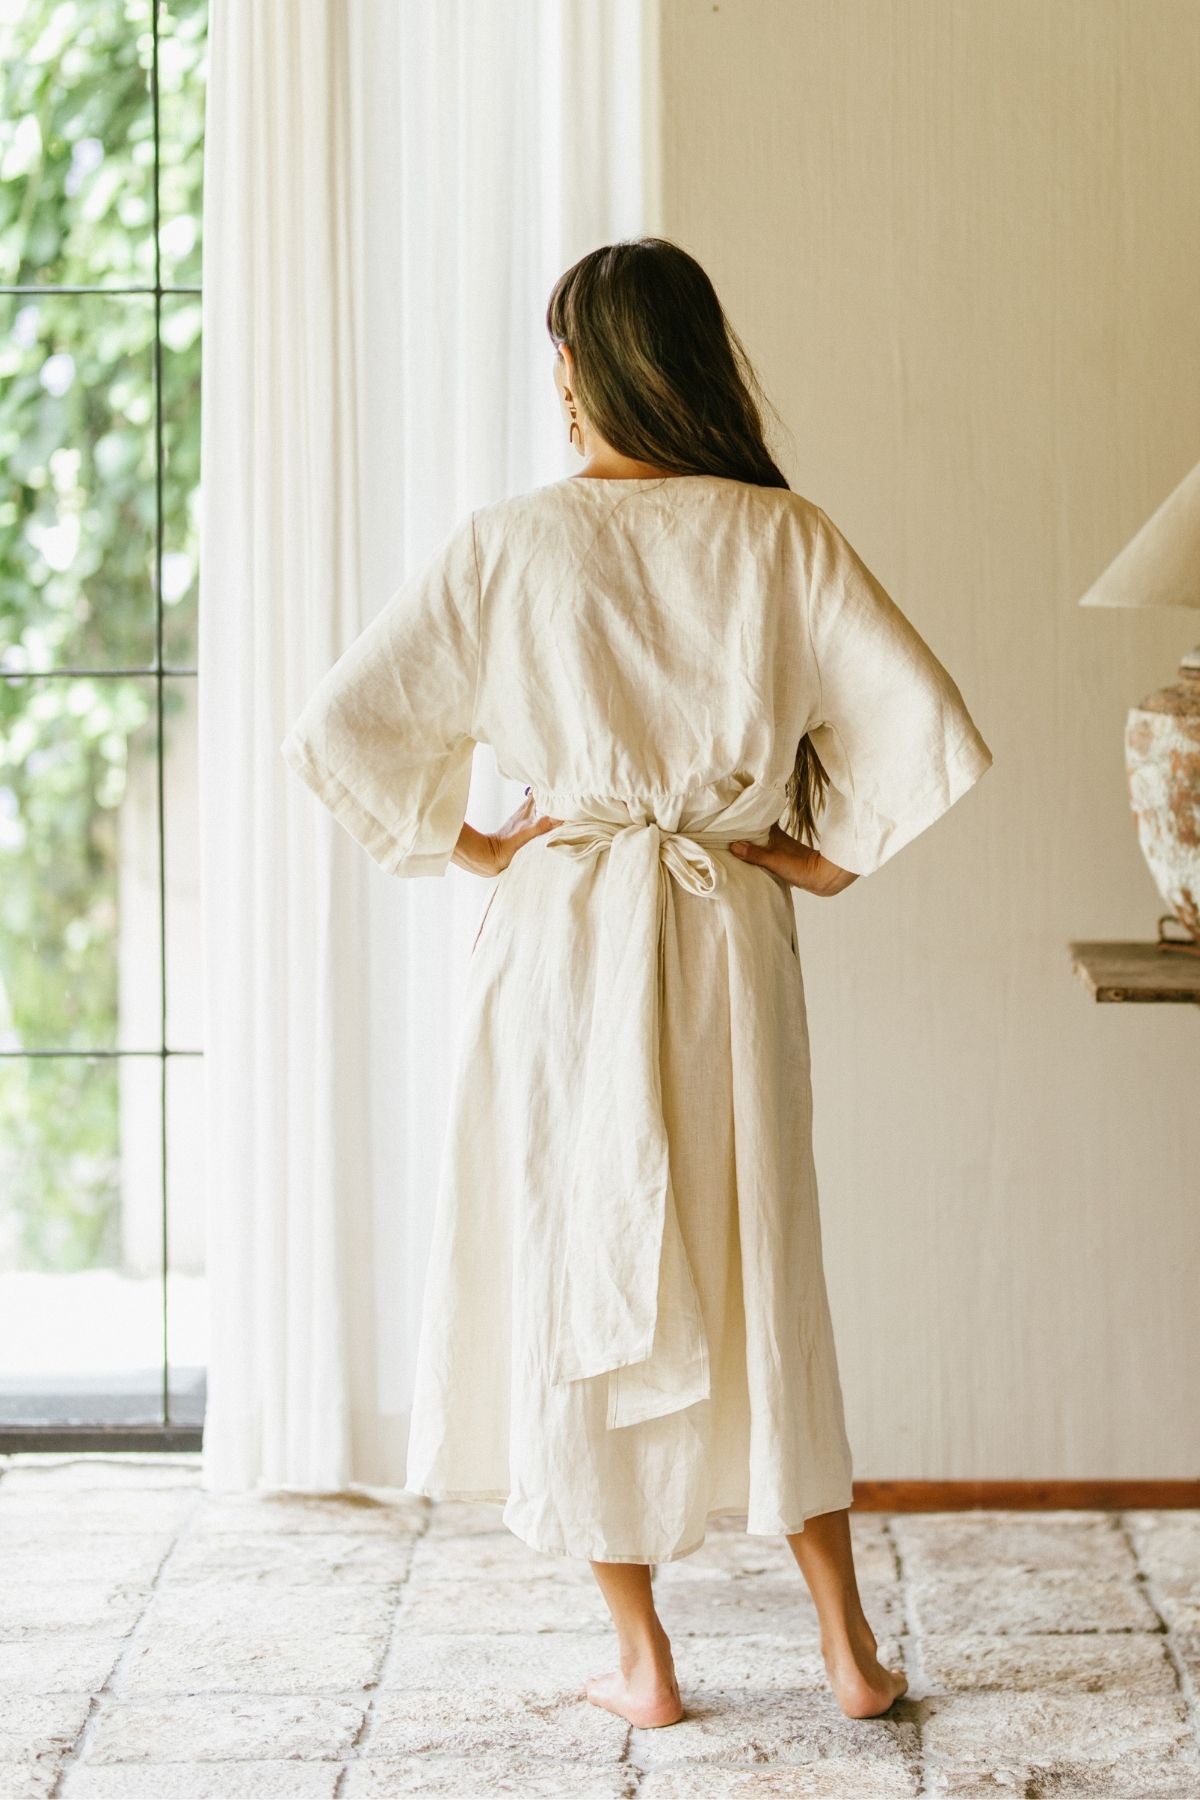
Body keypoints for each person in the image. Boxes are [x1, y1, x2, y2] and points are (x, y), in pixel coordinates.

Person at [280, 237, 992, 1731]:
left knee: (577, 1268)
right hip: (722, 933)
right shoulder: (780, 536)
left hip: (567, 940)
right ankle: (848, 1654)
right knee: (765, 1269)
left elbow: (347, 726)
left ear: (583, 370)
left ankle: (646, 1667)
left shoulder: (511, 544)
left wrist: (483, 846)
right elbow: (918, 725)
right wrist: (816, 855)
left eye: (559, 351)